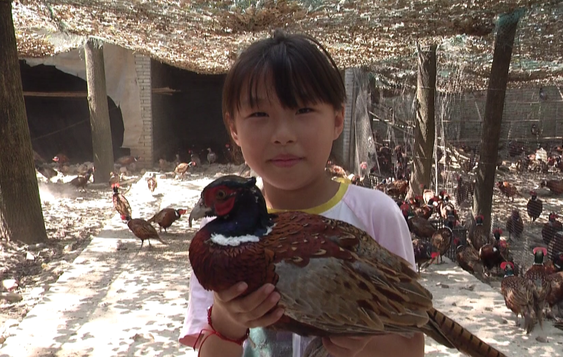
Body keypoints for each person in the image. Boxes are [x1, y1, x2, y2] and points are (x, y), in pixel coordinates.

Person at [179, 29, 423, 357]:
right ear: (234, 127)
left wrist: (361, 338)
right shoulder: (218, 241)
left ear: (338, 118)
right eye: (260, 115)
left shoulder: (376, 216)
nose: (282, 134)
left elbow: (411, 346)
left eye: (303, 111)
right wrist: (227, 319)